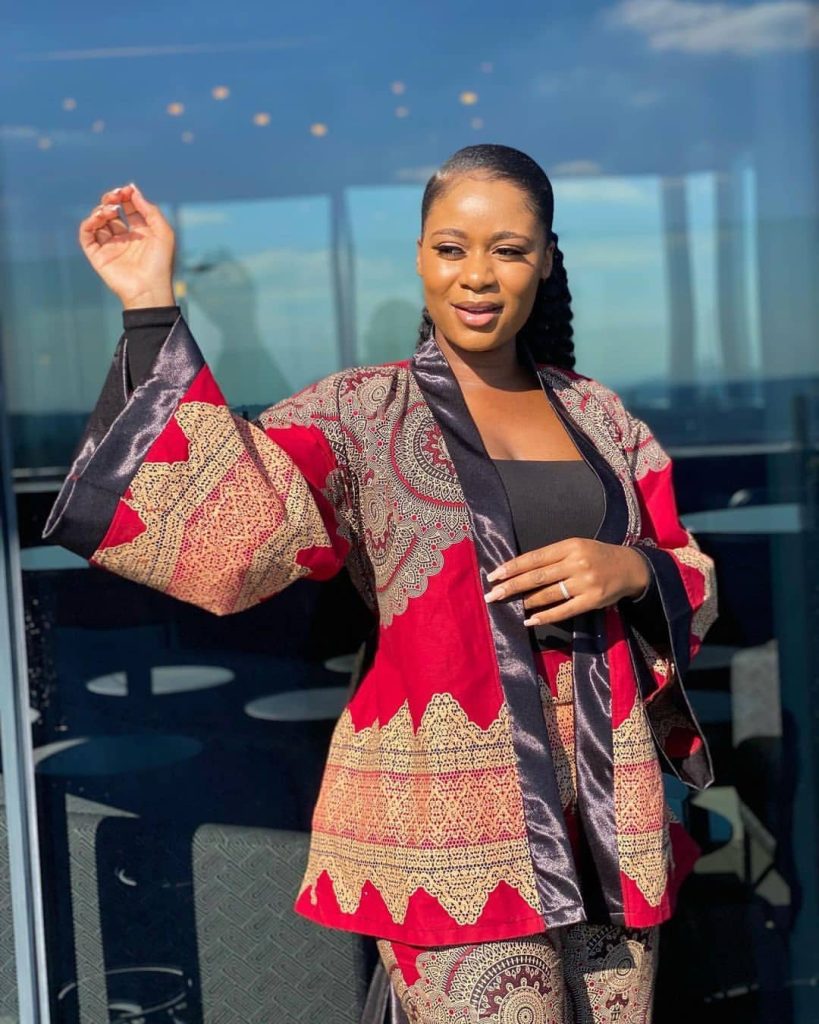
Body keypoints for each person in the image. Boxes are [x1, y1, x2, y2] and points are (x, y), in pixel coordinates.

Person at [45, 144, 716, 1024]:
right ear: (419, 257)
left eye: (508, 250)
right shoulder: (360, 413)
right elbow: (232, 525)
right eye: (451, 248)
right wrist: (148, 305)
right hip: (446, 824)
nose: (477, 275)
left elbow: (687, 566)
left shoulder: (599, 415)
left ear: (547, 261)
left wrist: (631, 569)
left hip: (608, 810)